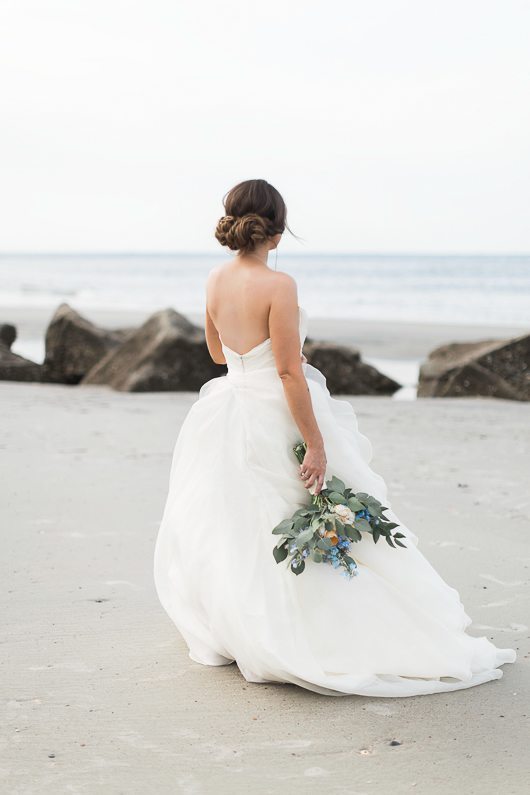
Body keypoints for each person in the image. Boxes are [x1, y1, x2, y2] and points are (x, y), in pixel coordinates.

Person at [153, 179, 516, 697]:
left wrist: (246, 354)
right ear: (275, 233)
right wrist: (316, 443)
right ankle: (317, 631)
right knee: (308, 508)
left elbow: (216, 354)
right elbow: (287, 373)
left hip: (227, 407)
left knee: (235, 521)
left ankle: (239, 624)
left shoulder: (214, 279)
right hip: (273, 410)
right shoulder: (280, 287)